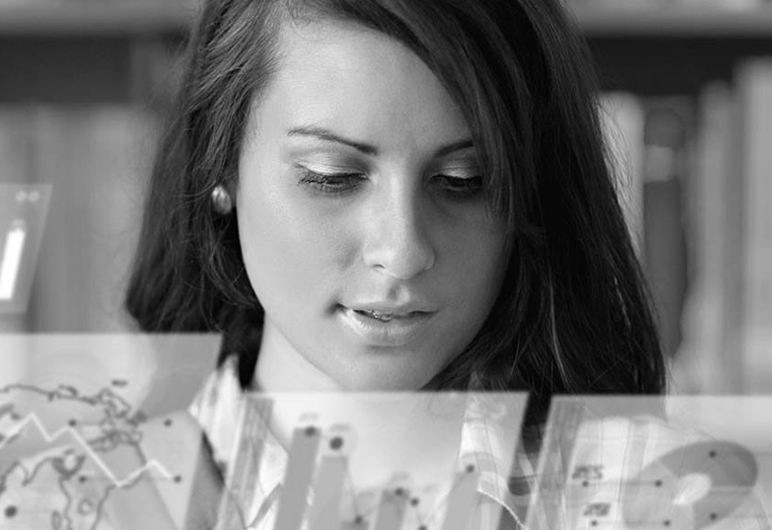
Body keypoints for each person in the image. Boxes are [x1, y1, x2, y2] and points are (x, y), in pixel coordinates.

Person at [123, 0, 669, 527]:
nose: (403, 253)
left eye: (464, 181)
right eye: (332, 177)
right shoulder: (100, 494)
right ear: (219, 165)